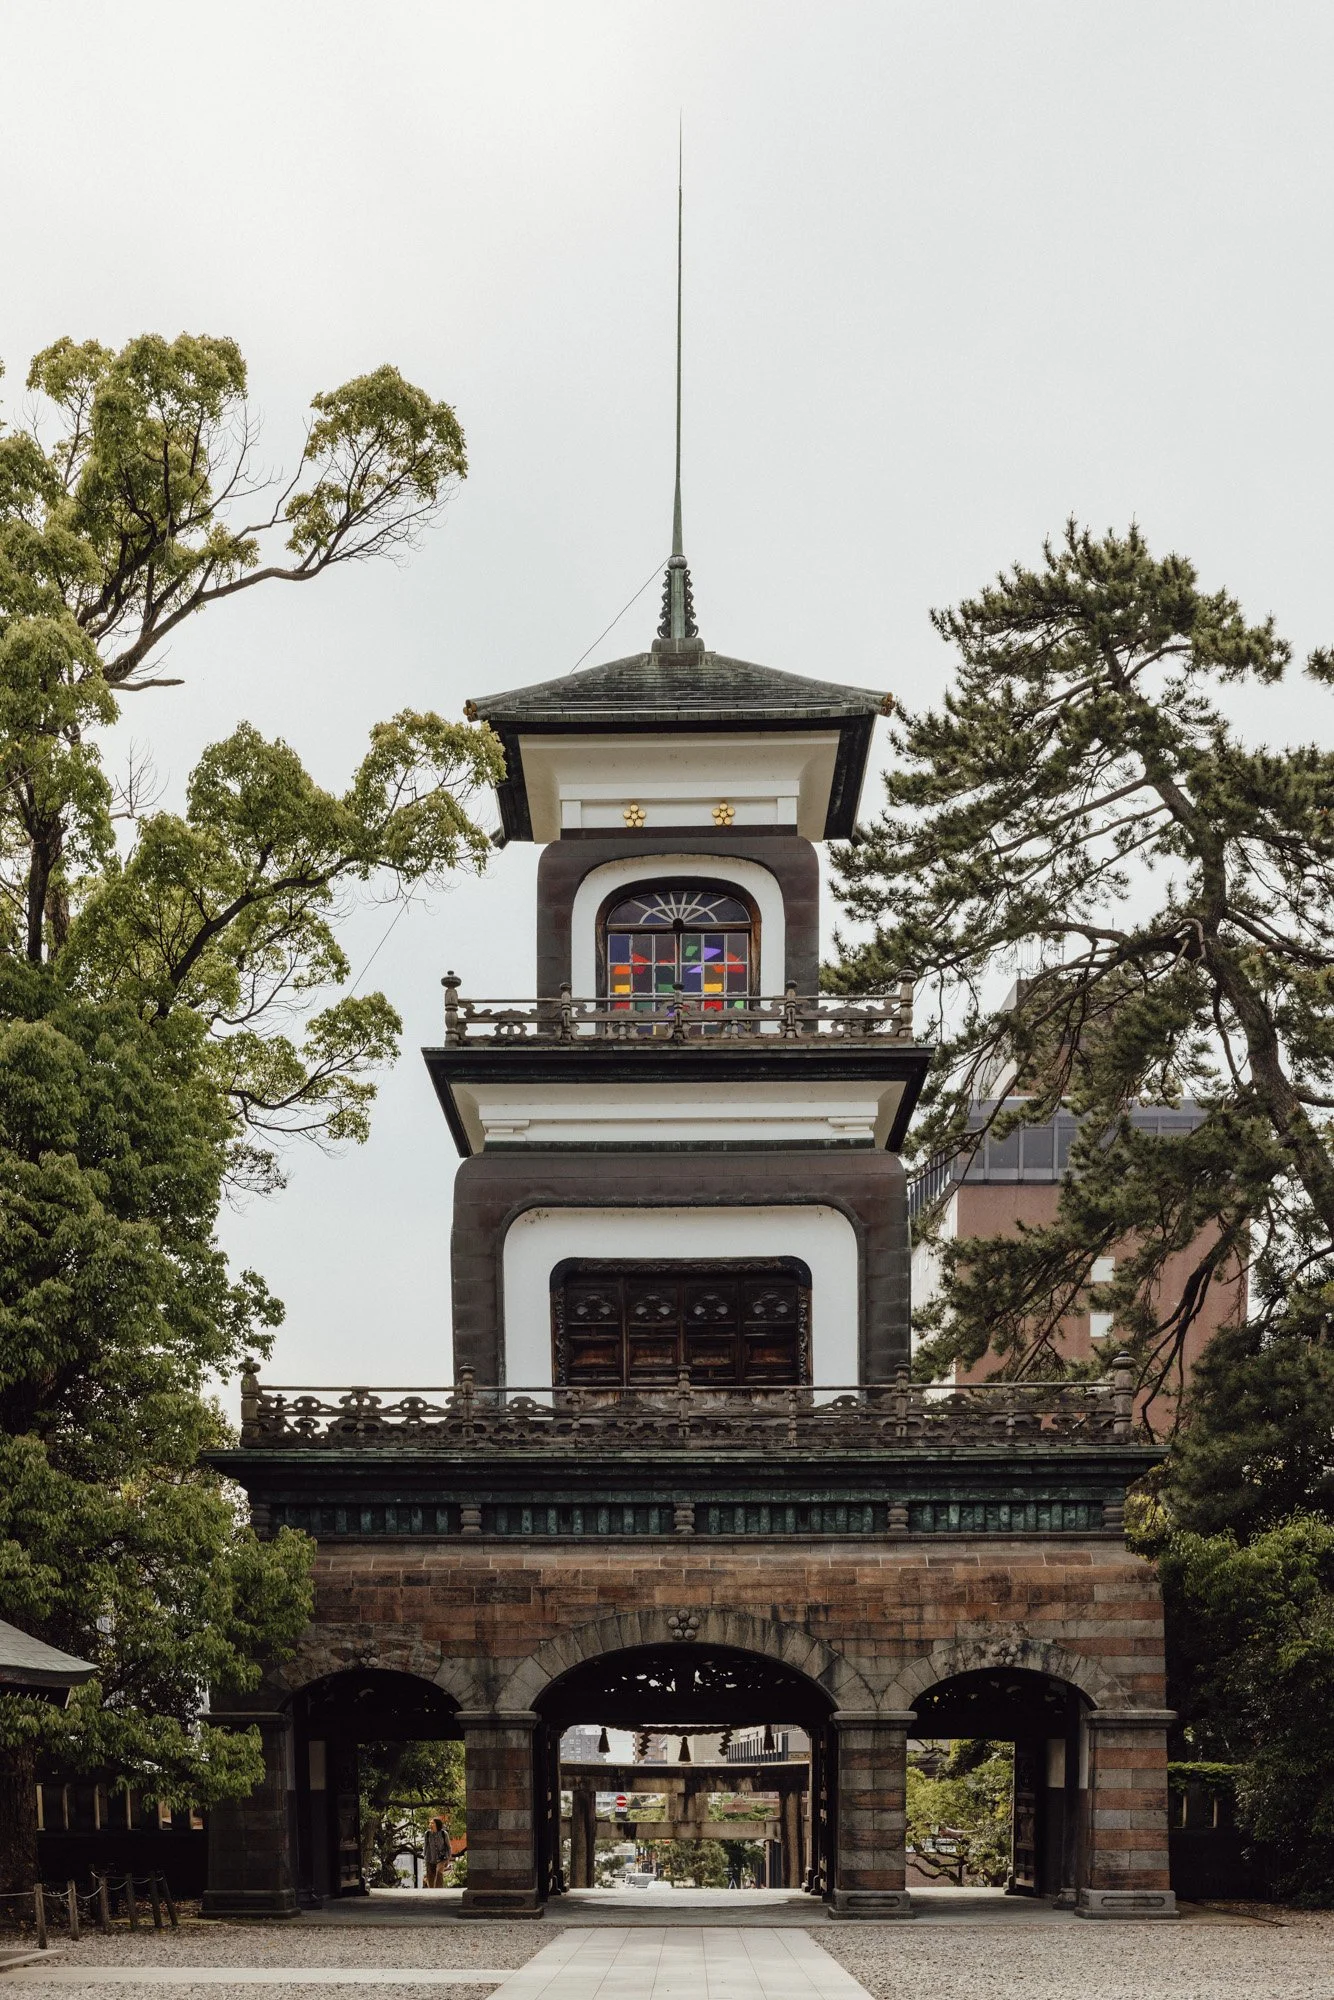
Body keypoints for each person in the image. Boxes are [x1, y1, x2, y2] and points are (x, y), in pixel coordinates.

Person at [424, 1817, 449, 1888]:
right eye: (430, 1823)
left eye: (432, 1823)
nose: (430, 1824)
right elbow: (425, 1845)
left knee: (438, 1872)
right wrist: (424, 1856)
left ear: (437, 1824)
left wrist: (448, 1858)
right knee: (430, 1876)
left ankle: (439, 1889)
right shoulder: (427, 1833)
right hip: (430, 1857)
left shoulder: (444, 1834)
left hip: (442, 1858)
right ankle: (432, 1891)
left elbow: (448, 1846)